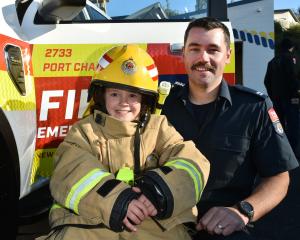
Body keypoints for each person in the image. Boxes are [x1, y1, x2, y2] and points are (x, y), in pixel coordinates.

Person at [39, 44, 210, 240]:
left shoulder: (159, 128)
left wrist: (159, 194)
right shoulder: (84, 131)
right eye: (114, 94)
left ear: (145, 100)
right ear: (101, 96)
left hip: (154, 222)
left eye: (132, 95)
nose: (123, 102)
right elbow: (71, 170)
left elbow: (192, 162)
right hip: (91, 223)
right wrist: (118, 201)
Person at [162, 17, 299, 239]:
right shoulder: (160, 107)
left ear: (228, 56)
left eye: (213, 50)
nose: (203, 58)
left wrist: (242, 211)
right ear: (184, 55)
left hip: (226, 230)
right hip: (165, 228)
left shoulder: (254, 108)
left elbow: (278, 178)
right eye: (194, 49)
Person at [264, 38, 300, 158]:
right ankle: (293, 154)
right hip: (290, 99)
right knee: (294, 125)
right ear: (291, 47)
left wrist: (273, 96)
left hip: (277, 100)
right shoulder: (289, 59)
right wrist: (296, 93)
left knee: (278, 126)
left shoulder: (272, 61)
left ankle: (279, 151)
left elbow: (266, 81)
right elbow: (292, 78)